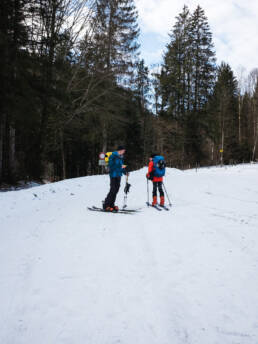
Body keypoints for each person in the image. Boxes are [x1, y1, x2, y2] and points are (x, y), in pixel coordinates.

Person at [103, 145, 128, 212]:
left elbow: (121, 166)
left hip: (118, 175)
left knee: (116, 190)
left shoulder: (121, 157)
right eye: (123, 150)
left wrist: (125, 172)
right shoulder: (113, 156)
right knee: (113, 190)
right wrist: (119, 167)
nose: (124, 152)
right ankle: (106, 205)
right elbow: (111, 166)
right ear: (120, 150)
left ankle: (111, 204)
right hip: (113, 175)